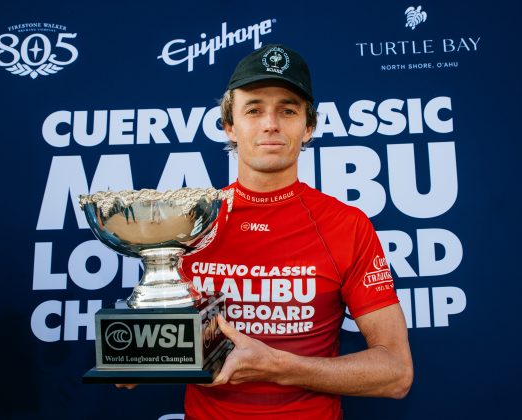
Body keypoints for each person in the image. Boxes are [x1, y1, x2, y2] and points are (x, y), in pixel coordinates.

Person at [118, 43, 413, 419]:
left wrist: (280, 366)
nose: (270, 123)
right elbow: (162, 338)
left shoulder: (347, 225)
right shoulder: (188, 221)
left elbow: (396, 373)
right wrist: (138, 355)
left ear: (308, 128)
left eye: (287, 110)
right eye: (254, 109)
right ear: (230, 125)